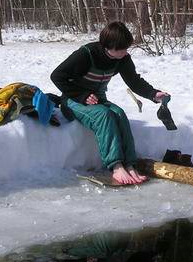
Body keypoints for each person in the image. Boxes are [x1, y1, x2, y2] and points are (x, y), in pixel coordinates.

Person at [50, 21, 169, 185]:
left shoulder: (122, 58)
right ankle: (116, 166)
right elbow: (56, 76)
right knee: (104, 115)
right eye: (120, 49)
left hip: (98, 98)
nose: (124, 52)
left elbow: (134, 81)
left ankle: (130, 164)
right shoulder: (87, 54)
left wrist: (153, 94)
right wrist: (81, 95)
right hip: (72, 100)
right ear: (107, 45)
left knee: (119, 114)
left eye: (126, 48)